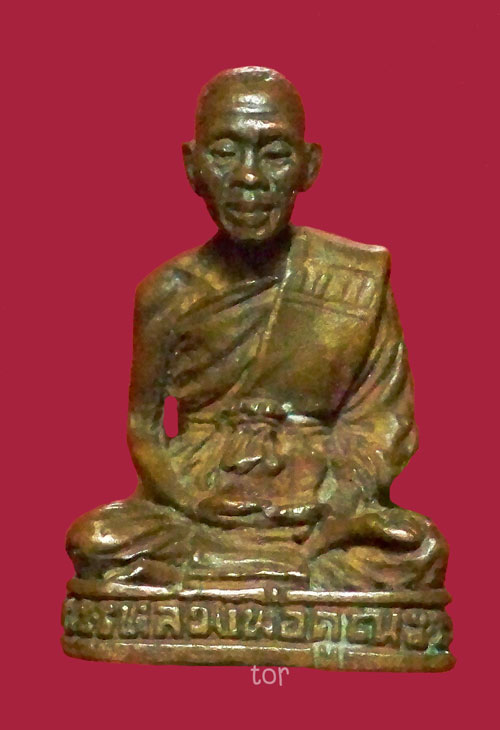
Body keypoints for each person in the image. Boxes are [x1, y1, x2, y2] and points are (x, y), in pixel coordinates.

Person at [67, 67, 448, 591]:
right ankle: (279, 570)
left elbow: (384, 421)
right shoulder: (167, 292)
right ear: (193, 167)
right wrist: (193, 502)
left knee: (417, 548)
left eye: (275, 154)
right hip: (203, 497)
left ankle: (235, 572)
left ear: (308, 166)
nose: (249, 177)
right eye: (225, 152)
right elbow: (144, 428)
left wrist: (334, 502)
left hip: (317, 500)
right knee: (97, 541)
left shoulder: (353, 278)